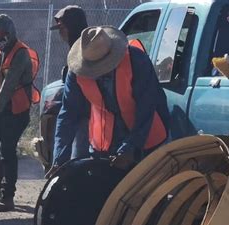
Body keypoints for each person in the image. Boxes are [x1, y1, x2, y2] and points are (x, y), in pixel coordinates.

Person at [49, 26, 171, 176]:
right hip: (105, 142)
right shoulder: (76, 73)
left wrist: (130, 148)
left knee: (148, 193)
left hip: (146, 137)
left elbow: (146, 107)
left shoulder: (137, 61)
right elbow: (68, 114)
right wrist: (59, 159)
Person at [0, 14, 40, 212]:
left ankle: (8, 196)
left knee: (7, 150)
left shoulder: (21, 54)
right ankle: (1, 184)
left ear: (9, 35)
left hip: (17, 110)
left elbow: (8, 87)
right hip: (0, 108)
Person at [50, 5, 89, 161]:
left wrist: (60, 159)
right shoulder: (75, 48)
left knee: (80, 164)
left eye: (62, 28)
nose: (60, 33)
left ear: (73, 27)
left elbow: (70, 110)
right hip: (86, 120)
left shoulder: (86, 51)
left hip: (90, 121)